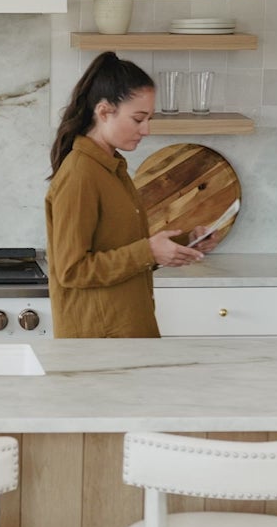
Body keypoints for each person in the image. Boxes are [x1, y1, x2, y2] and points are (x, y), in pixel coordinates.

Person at [45, 52, 214, 338]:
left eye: (149, 118)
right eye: (138, 119)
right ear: (103, 112)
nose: (146, 130)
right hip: (99, 343)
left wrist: (183, 243)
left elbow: (120, 246)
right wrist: (148, 251)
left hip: (126, 332)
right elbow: (72, 270)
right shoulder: (81, 174)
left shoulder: (112, 168)